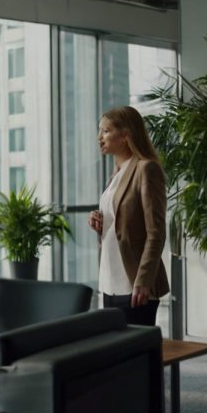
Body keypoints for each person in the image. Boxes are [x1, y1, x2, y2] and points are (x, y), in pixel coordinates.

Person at [88, 105, 169, 326]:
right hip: (110, 277)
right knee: (118, 353)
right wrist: (100, 224)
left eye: (105, 131)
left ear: (125, 135)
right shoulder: (117, 173)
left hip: (133, 281)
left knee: (137, 352)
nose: (99, 137)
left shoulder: (146, 169)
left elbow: (156, 232)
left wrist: (143, 280)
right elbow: (120, 225)